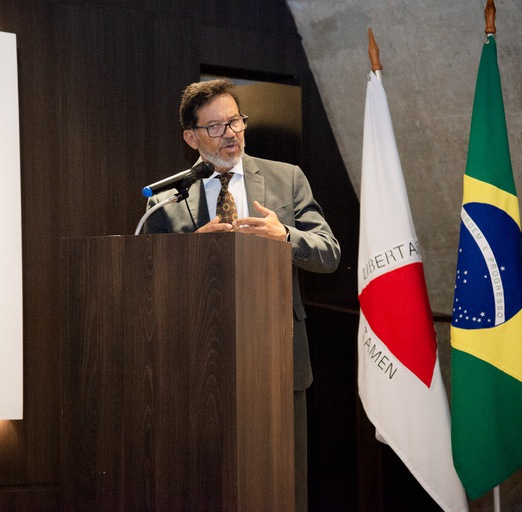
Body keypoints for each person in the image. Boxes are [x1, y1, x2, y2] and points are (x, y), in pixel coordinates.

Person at [145, 79, 340, 511]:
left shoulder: (286, 179)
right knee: (206, 485)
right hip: (197, 365)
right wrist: (194, 249)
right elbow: (150, 284)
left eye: (235, 121)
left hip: (278, 358)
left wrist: (284, 235)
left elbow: (329, 254)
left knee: (283, 487)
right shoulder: (166, 200)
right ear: (191, 137)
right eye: (215, 127)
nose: (230, 133)